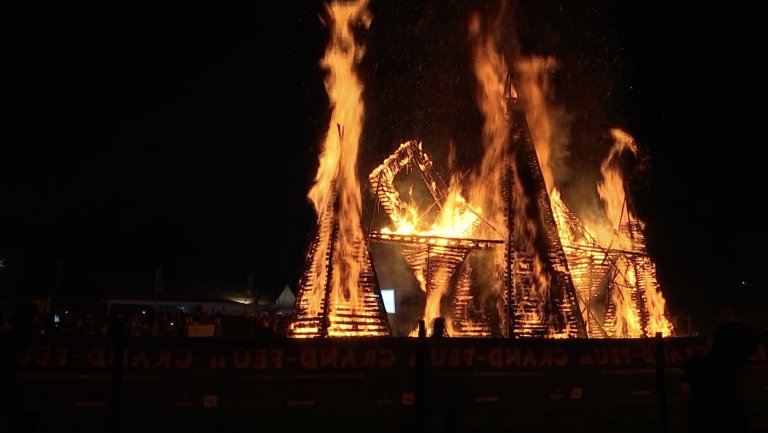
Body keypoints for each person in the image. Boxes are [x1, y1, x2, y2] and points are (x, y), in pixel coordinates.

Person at [682, 321, 757, 432]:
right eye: (746, 353)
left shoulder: (705, 379)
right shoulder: (717, 390)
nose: (749, 361)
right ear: (732, 352)